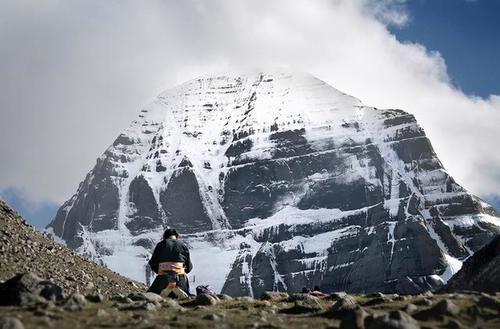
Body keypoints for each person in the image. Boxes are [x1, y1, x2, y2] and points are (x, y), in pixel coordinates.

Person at [147, 227, 193, 296]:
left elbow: (152, 263)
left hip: (162, 280)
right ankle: (179, 289)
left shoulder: (161, 244)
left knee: (150, 294)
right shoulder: (183, 245)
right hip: (180, 280)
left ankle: (165, 289)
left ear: (165, 237)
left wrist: (159, 271)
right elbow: (189, 267)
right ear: (177, 237)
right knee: (186, 293)